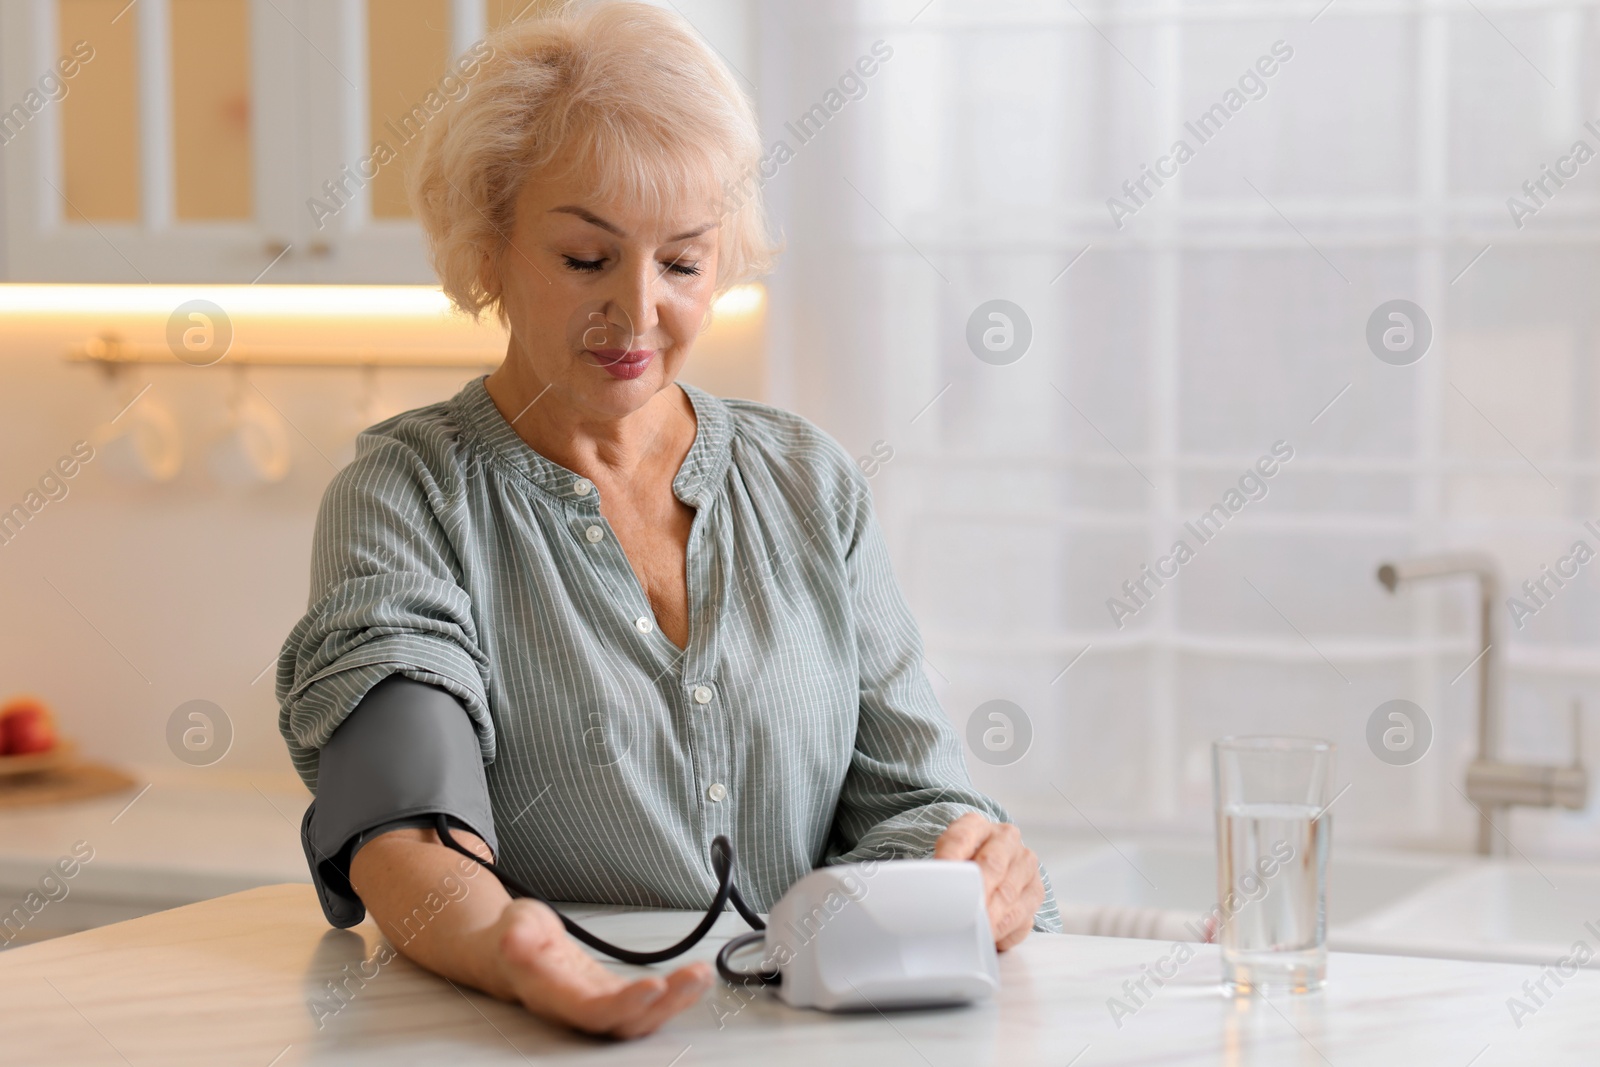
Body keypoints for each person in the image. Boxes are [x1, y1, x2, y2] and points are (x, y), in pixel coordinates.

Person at [276, 0, 1059, 1040]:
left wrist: (972, 862)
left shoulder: (809, 480)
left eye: (682, 261)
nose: (638, 310)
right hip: (531, 1037)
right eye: (586, 259)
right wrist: (516, 951)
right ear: (490, 244)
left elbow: (908, 800)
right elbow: (402, 822)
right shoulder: (410, 493)